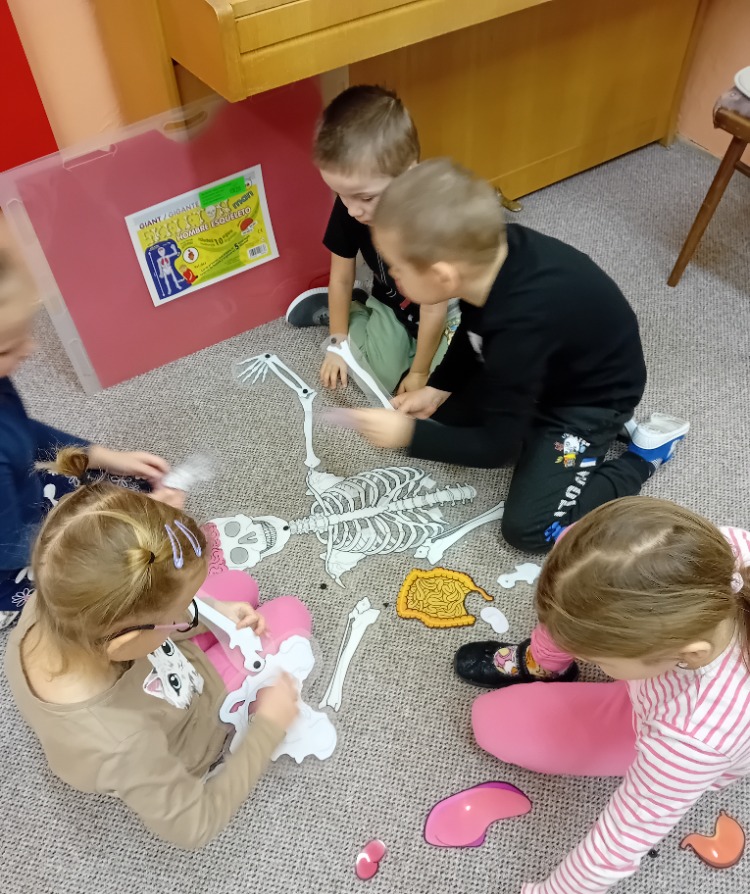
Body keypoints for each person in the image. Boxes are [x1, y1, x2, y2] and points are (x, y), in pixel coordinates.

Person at [463, 497, 750, 894]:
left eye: (600, 658)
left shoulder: (692, 738)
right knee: (586, 574)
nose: (593, 663)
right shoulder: (716, 554)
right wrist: (549, 653)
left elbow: (622, 838)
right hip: (666, 685)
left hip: (669, 722)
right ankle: (553, 659)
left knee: (492, 724)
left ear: (684, 655)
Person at [349, 159, 690, 554]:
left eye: (396, 268)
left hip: (591, 402)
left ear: (442, 276)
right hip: (547, 369)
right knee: (440, 415)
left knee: (531, 531)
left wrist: (406, 437)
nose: (390, 276)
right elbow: (473, 330)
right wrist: (438, 387)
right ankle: (555, 438)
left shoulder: (518, 327)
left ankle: (643, 456)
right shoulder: (490, 257)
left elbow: (499, 449)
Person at [4, 448, 310, 850]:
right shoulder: (125, 743)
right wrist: (269, 726)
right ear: (126, 641)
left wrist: (213, 611)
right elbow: (195, 826)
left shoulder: (52, 599)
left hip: (142, 667)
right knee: (289, 615)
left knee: (240, 587)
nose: (187, 610)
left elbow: (139, 608)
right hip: (180, 728)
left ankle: (184, 609)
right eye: (174, 614)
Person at [0, 226, 180, 626]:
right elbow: (11, 546)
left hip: (18, 505)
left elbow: (22, 434)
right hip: (9, 554)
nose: (30, 349)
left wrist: (103, 456)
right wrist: (127, 526)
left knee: (113, 491)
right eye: (7, 347)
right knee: (105, 588)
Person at [285, 85, 457, 395]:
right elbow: (341, 276)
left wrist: (419, 373)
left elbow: (434, 310)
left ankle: (410, 354)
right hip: (393, 306)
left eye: (365, 197)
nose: (352, 210)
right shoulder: (351, 206)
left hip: (444, 313)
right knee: (376, 376)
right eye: (340, 194)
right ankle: (351, 310)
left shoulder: (432, 225)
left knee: (446, 389)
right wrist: (337, 343)